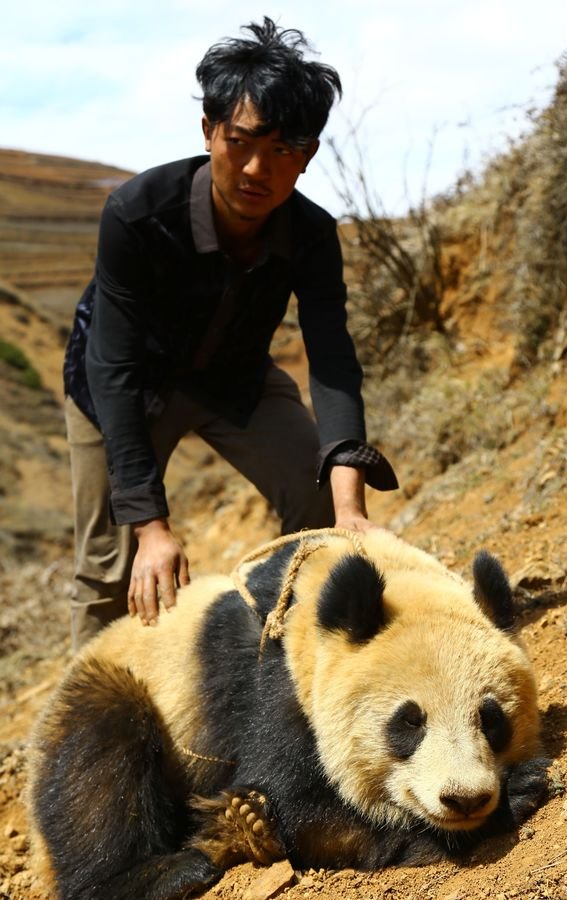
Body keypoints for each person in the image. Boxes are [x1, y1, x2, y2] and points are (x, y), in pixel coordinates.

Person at [63, 16, 398, 650]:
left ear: (309, 155)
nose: (256, 169)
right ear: (209, 131)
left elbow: (331, 357)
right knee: (109, 566)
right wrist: (152, 527)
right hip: (125, 385)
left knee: (320, 501)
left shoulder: (311, 234)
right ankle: (87, 712)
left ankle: (288, 663)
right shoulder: (136, 214)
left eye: (283, 151)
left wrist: (350, 508)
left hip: (232, 376)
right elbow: (114, 368)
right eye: (240, 141)